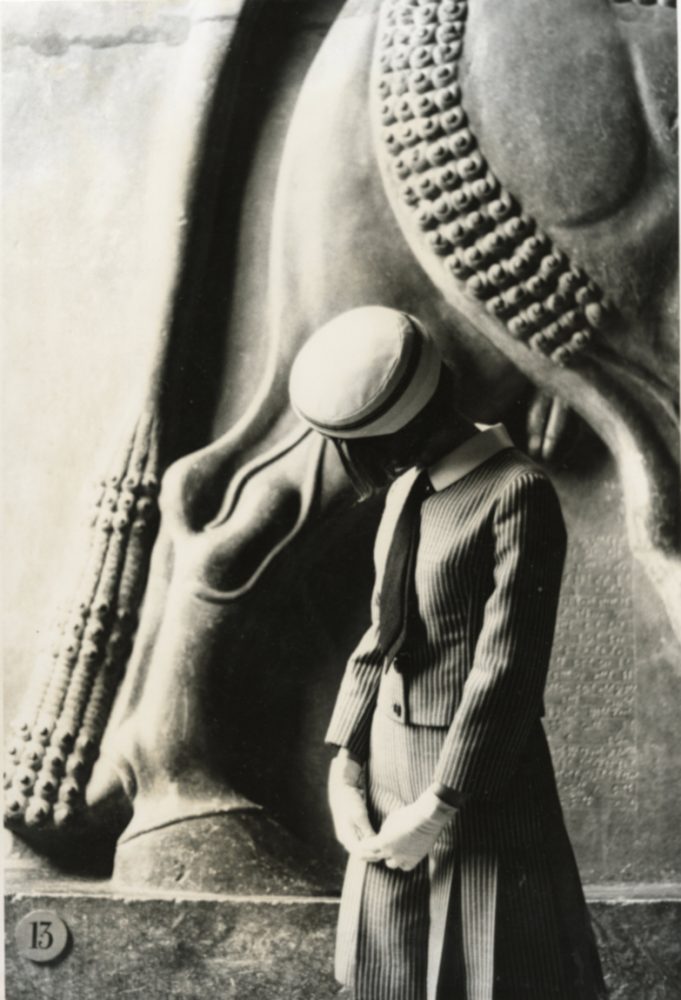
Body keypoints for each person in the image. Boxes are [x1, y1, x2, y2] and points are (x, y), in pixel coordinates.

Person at [288, 306, 607, 1000]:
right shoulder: (406, 489)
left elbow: (506, 670)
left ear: (392, 433)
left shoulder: (516, 492)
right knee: (390, 971)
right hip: (385, 772)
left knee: (495, 970)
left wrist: (439, 805)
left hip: (479, 783)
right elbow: (381, 634)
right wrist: (345, 763)